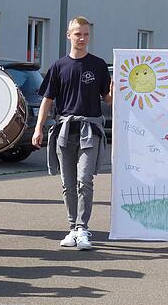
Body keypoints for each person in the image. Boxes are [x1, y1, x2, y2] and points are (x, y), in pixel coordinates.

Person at [32, 16, 111, 251]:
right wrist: (39, 129)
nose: (82, 38)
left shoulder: (98, 65)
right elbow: (47, 100)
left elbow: (107, 98)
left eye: (86, 34)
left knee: (84, 179)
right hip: (64, 130)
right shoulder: (59, 66)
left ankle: (83, 228)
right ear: (69, 35)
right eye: (78, 34)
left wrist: (117, 88)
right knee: (67, 183)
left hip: (90, 131)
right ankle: (72, 228)